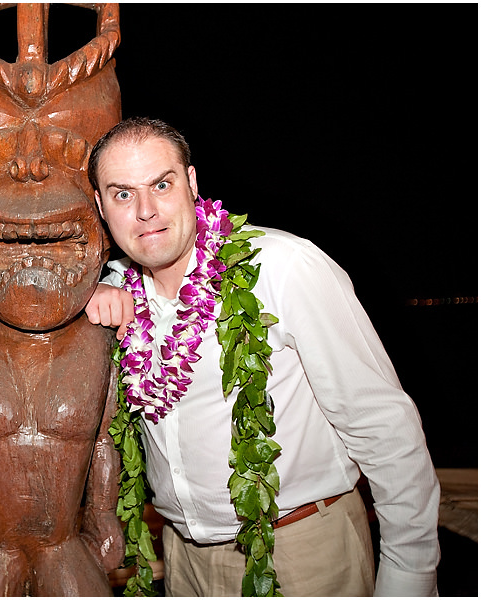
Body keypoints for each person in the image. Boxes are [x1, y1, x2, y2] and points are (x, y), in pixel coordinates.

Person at [84, 117, 440, 596]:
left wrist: (411, 572)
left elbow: (383, 424)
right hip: (183, 561)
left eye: (162, 184)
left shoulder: (282, 267)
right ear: (101, 208)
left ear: (191, 183)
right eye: (123, 194)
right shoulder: (122, 297)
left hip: (302, 553)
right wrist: (104, 282)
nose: (146, 210)